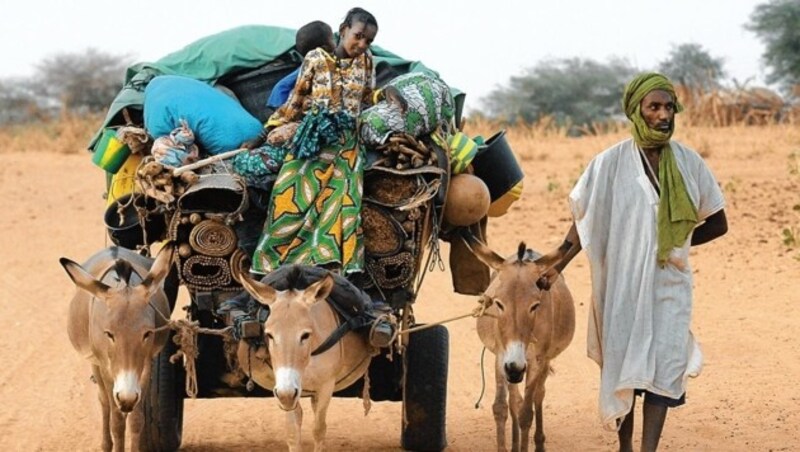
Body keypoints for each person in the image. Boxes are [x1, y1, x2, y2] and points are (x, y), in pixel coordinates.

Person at [536, 73, 728, 452]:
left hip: (669, 284)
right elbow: (584, 221)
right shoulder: (608, 163)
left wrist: (676, 244)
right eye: (654, 106)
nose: (663, 115)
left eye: (669, 106)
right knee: (625, 367)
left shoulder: (689, 163)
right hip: (620, 283)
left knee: (664, 365)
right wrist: (557, 264)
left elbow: (718, 222)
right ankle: (625, 447)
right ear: (636, 110)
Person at [266, 20, 336, 111]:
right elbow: (280, 87)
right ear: (324, 48)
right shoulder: (306, 69)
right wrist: (282, 111)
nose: (335, 42)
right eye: (332, 39)